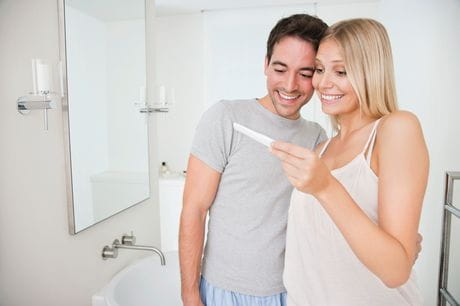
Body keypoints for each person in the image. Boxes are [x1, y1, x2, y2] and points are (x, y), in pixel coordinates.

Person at [270, 18, 429, 305]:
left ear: (371, 72)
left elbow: (395, 271)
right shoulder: (321, 149)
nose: (323, 83)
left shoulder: (395, 129)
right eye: (319, 69)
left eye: (341, 71)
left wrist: (325, 187)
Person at [179, 14, 328, 306]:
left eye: (306, 73)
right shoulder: (225, 118)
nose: (290, 84)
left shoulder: (316, 137)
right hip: (224, 290)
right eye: (280, 68)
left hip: (290, 292)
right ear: (265, 64)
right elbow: (194, 210)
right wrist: (190, 294)